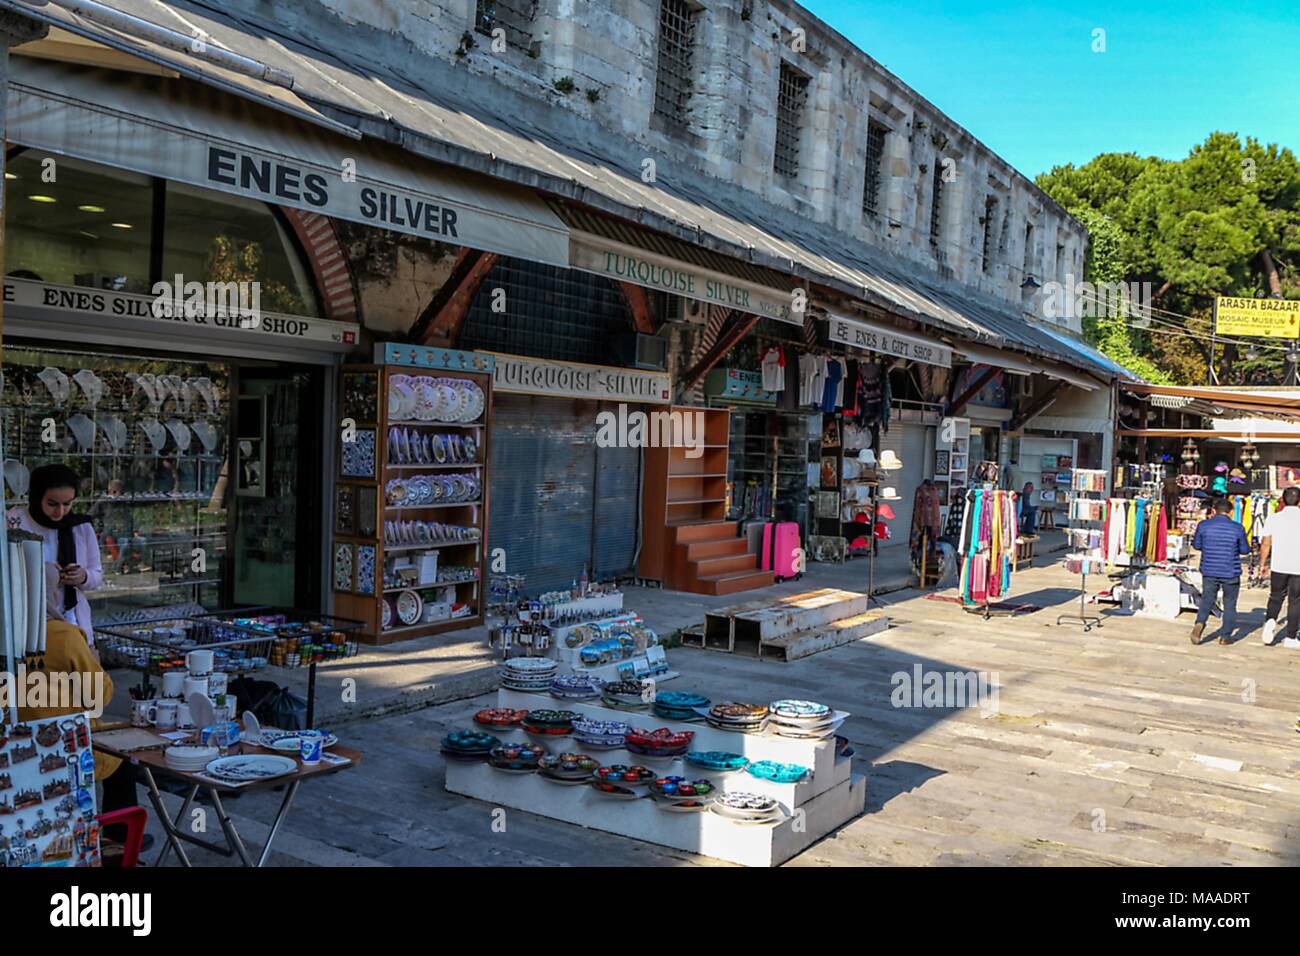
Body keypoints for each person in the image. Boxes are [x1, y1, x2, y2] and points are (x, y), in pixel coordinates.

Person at [5, 463, 105, 646]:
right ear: (36, 497)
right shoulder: (13, 522)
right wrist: (45, 574)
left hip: (73, 622)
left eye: (67, 504)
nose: (60, 512)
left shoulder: (81, 527)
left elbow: (97, 575)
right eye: (52, 504)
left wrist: (82, 576)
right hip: (27, 629)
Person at [1190, 496, 1252, 645]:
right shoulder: (1237, 528)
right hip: (1230, 570)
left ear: (1213, 511)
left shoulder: (1204, 525)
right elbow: (1245, 550)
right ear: (1230, 512)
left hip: (1209, 569)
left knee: (1207, 599)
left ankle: (1200, 622)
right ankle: (1225, 636)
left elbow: (1197, 545)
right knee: (1230, 603)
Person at [1260, 486, 1300, 647]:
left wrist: (1263, 564)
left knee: (1276, 597)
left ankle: (1270, 621)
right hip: (1298, 566)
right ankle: (1290, 637)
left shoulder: (1273, 518)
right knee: (1295, 601)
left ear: (1282, 500)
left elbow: (1266, 543)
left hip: (1278, 564)